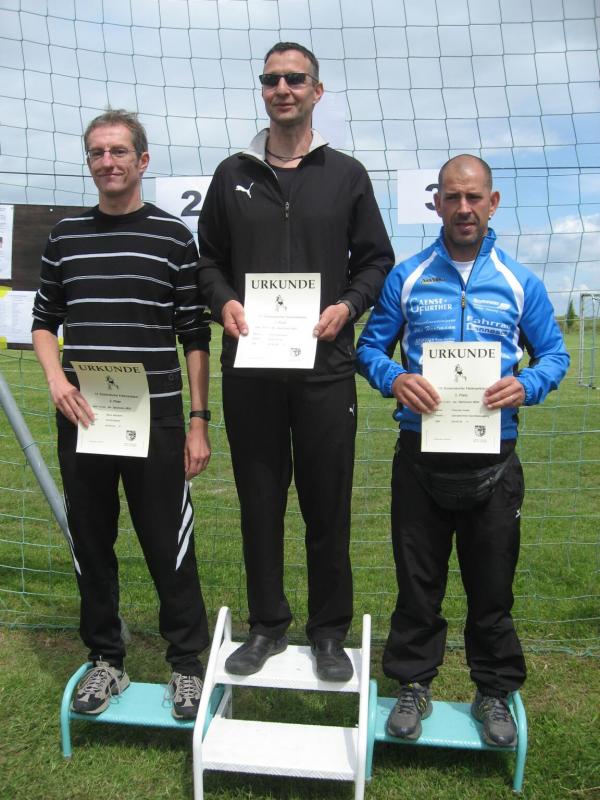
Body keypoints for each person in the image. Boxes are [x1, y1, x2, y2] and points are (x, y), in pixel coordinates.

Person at [197, 42, 394, 681]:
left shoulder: (347, 174)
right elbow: (207, 262)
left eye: (295, 79)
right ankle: (266, 626)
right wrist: (224, 301)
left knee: (326, 504)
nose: (282, 88)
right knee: (259, 502)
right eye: (272, 79)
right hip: (250, 368)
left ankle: (329, 632)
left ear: (317, 90)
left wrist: (348, 305)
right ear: (263, 90)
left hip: (324, 367)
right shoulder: (231, 173)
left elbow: (375, 260)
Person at [357, 155, 569, 745]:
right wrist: (394, 378)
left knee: (492, 589)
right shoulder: (408, 277)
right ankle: (412, 684)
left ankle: (494, 692)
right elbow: (369, 349)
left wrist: (528, 384)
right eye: (452, 197)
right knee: (416, 586)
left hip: (493, 462)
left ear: (492, 203)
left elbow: (555, 354)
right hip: (419, 458)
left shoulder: (519, 281)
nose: (464, 208)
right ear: (437, 204)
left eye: (474, 197)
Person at [32, 109, 212, 720]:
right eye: (96, 152)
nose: (107, 162)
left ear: (143, 160)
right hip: (84, 415)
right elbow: (44, 322)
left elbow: (193, 336)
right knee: (92, 540)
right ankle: (106, 658)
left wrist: (197, 420)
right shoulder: (65, 236)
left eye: (118, 151)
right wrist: (56, 380)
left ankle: (186, 665)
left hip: (155, 418)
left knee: (168, 544)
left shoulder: (172, 236)